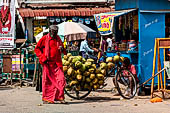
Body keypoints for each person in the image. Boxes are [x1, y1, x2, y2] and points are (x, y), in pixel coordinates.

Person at [34, 25, 67, 104]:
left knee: (61, 80)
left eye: (56, 32)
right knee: (48, 82)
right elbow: (37, 49)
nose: (55, 34)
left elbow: (64, 51)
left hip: (57, 63)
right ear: (50, 31)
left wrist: (62, 49)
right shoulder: (44, 38)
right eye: (54, 32)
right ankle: (47, 99)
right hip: (48, 63)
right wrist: (42, 58)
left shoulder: (58, 38)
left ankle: (59, 97)